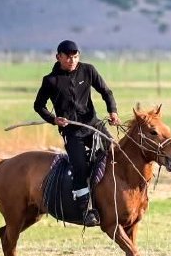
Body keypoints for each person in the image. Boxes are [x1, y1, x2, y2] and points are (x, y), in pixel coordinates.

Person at [34, 40, 119, 226]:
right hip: (71, 132)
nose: (72, 60)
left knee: (115, 151)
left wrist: (113, 111)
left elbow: (106, 91)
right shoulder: (51, 80)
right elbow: (38, 106)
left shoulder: (88, 70)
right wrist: (54, 119)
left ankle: (116, 197)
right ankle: (86, 210)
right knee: (79, 166)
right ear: (59, 57)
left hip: (93, 126)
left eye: (75, 56)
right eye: (68, 57)